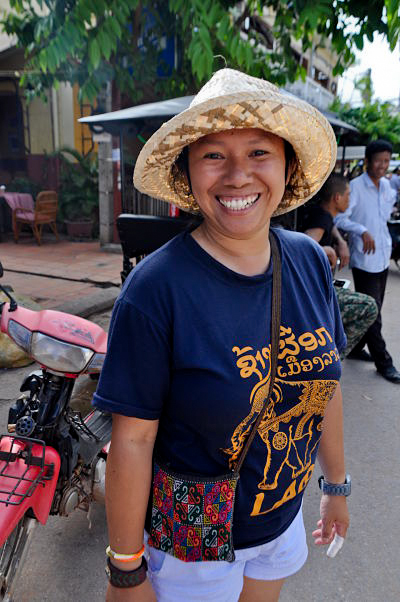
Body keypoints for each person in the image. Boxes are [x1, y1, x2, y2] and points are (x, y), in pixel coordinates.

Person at [94, 69, 350, 602]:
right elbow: (133, 440)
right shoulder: (156, 289)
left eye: (259, 152)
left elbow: (324, 387)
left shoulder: (306, 261)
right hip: (193, 537)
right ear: (188, 174)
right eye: (213, 155)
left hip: (278, 522)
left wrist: (335, 487)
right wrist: (126, 569)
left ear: (287, 165)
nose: (237, 176)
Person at [335, 139, 400, 383]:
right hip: (364, 259)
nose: (383, 166)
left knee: (376, 308)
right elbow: (340, 219)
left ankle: (355, 347)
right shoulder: (355, 186)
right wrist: (361, 230)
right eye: (378, 161)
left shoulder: (386, 186)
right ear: (367, 161)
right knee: (373, 312)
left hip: (383, 255)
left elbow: (383, 217)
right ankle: (384, 363)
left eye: (386, 161)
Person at [302, 173, 378, 359]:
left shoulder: (322, 213)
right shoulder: (322, 219)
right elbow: (304, 248)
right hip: (313, 293)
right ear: (337, 198)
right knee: (369, 307)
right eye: (348, 195)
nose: (350, 199)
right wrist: (324, 249)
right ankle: (332, 358)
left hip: (316, 288)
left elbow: (328, 224)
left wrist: (339, 241)